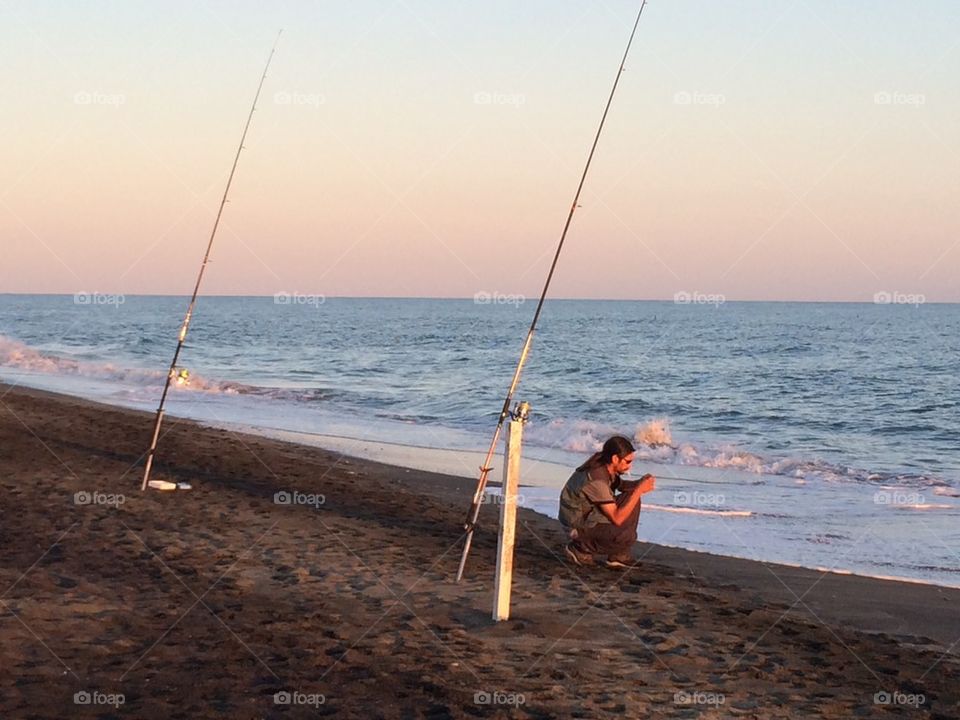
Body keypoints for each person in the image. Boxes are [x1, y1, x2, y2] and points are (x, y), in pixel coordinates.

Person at [558, 435, 656, 569]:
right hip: (576, 525)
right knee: (624, 535)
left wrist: (640, 483)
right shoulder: (596, 478)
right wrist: (638, 490)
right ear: (615, 458)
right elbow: (617, 518)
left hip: (588, 514)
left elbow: (621, 485)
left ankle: (618, 554)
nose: (630, 466)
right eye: (627, 462)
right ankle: (580, 548)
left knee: (631, 498)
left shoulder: (606, 466)